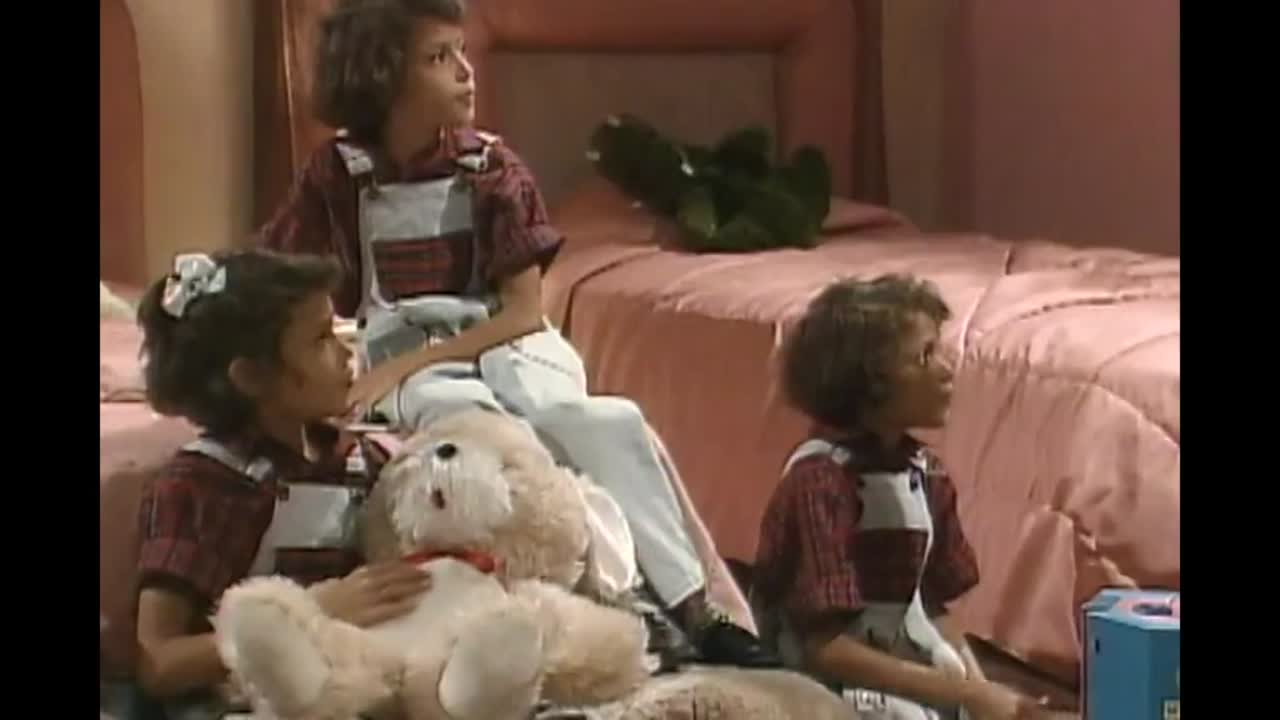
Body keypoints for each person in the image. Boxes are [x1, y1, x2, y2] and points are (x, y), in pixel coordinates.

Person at [257, 0, 775, 668]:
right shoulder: (337, 173)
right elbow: (279, 271)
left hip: (506, 340)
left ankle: (695, 607)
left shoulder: (492, 167)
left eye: (461, 51)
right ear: (382, 77)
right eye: (439, 58)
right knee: (484, 433)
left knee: (597, 421)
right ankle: (624, 602)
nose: (466, 71)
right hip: (409, 354)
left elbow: (522, 314)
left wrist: (400, 371)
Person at [131, 250, 433, 719]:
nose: (346, 353)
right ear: (252, 376)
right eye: (320, 340)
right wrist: (314, 612)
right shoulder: (202, 487)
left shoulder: (361, 460)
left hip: (357, 683)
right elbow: (158, 661)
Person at [752, 276, 1051, 720]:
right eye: (924, 356)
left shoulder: (924, 473)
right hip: (825, 680)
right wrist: (967, 696)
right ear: (867, 384)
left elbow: (929, 603)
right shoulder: (820, 483)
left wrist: (979, 692)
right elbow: (824, 648)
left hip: (900, 660)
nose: (947, 369)